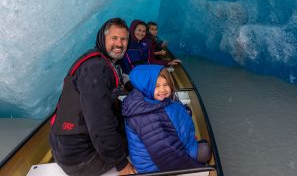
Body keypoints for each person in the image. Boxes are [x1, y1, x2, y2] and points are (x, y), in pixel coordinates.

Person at [49, 18, 136, 176]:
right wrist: (121, 163)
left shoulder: (96, 60)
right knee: (140, 133)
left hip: (64, 147)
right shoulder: (97, 68)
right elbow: (100, 122)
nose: (119, 44)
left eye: (124, 39)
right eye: (114, 38)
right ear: (103, 39)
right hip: (80, 159)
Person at [122, 65, 211, 173]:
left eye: (166, 84)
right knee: (205, 150)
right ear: (147, 86)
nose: (163, 89)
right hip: (156, 167)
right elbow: (168, 150)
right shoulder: (158, 113)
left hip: (151, 161)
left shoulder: (138, 103)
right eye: (156, 86)